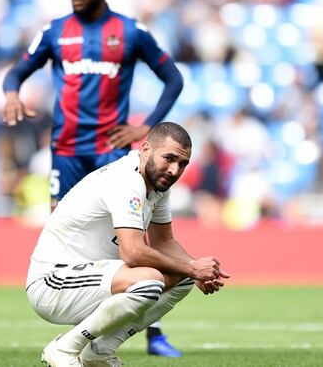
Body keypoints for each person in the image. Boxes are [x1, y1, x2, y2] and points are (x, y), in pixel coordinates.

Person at [3, 0, 186, 356]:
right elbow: (15, 72)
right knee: (71, 237)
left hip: (110, 151)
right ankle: (85, 334)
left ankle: (147, 332)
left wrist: (148, 129)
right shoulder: (55, 32)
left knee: (124, 239)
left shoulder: (130, 32)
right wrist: (12, 94)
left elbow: (173, 78)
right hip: (66, 151)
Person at [26, 122, 229, 366]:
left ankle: (100, 351)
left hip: (94, 279)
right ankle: (65, 349)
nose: (175, 170)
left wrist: (195, 269)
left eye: (183, 163)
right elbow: (133, 253)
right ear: (145, 149)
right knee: (151, 279)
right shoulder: (126, 180)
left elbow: (163, 241)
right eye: (169, 158)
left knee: (182, 276)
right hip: (53, 283)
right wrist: (192, 268)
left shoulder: (157, 185)